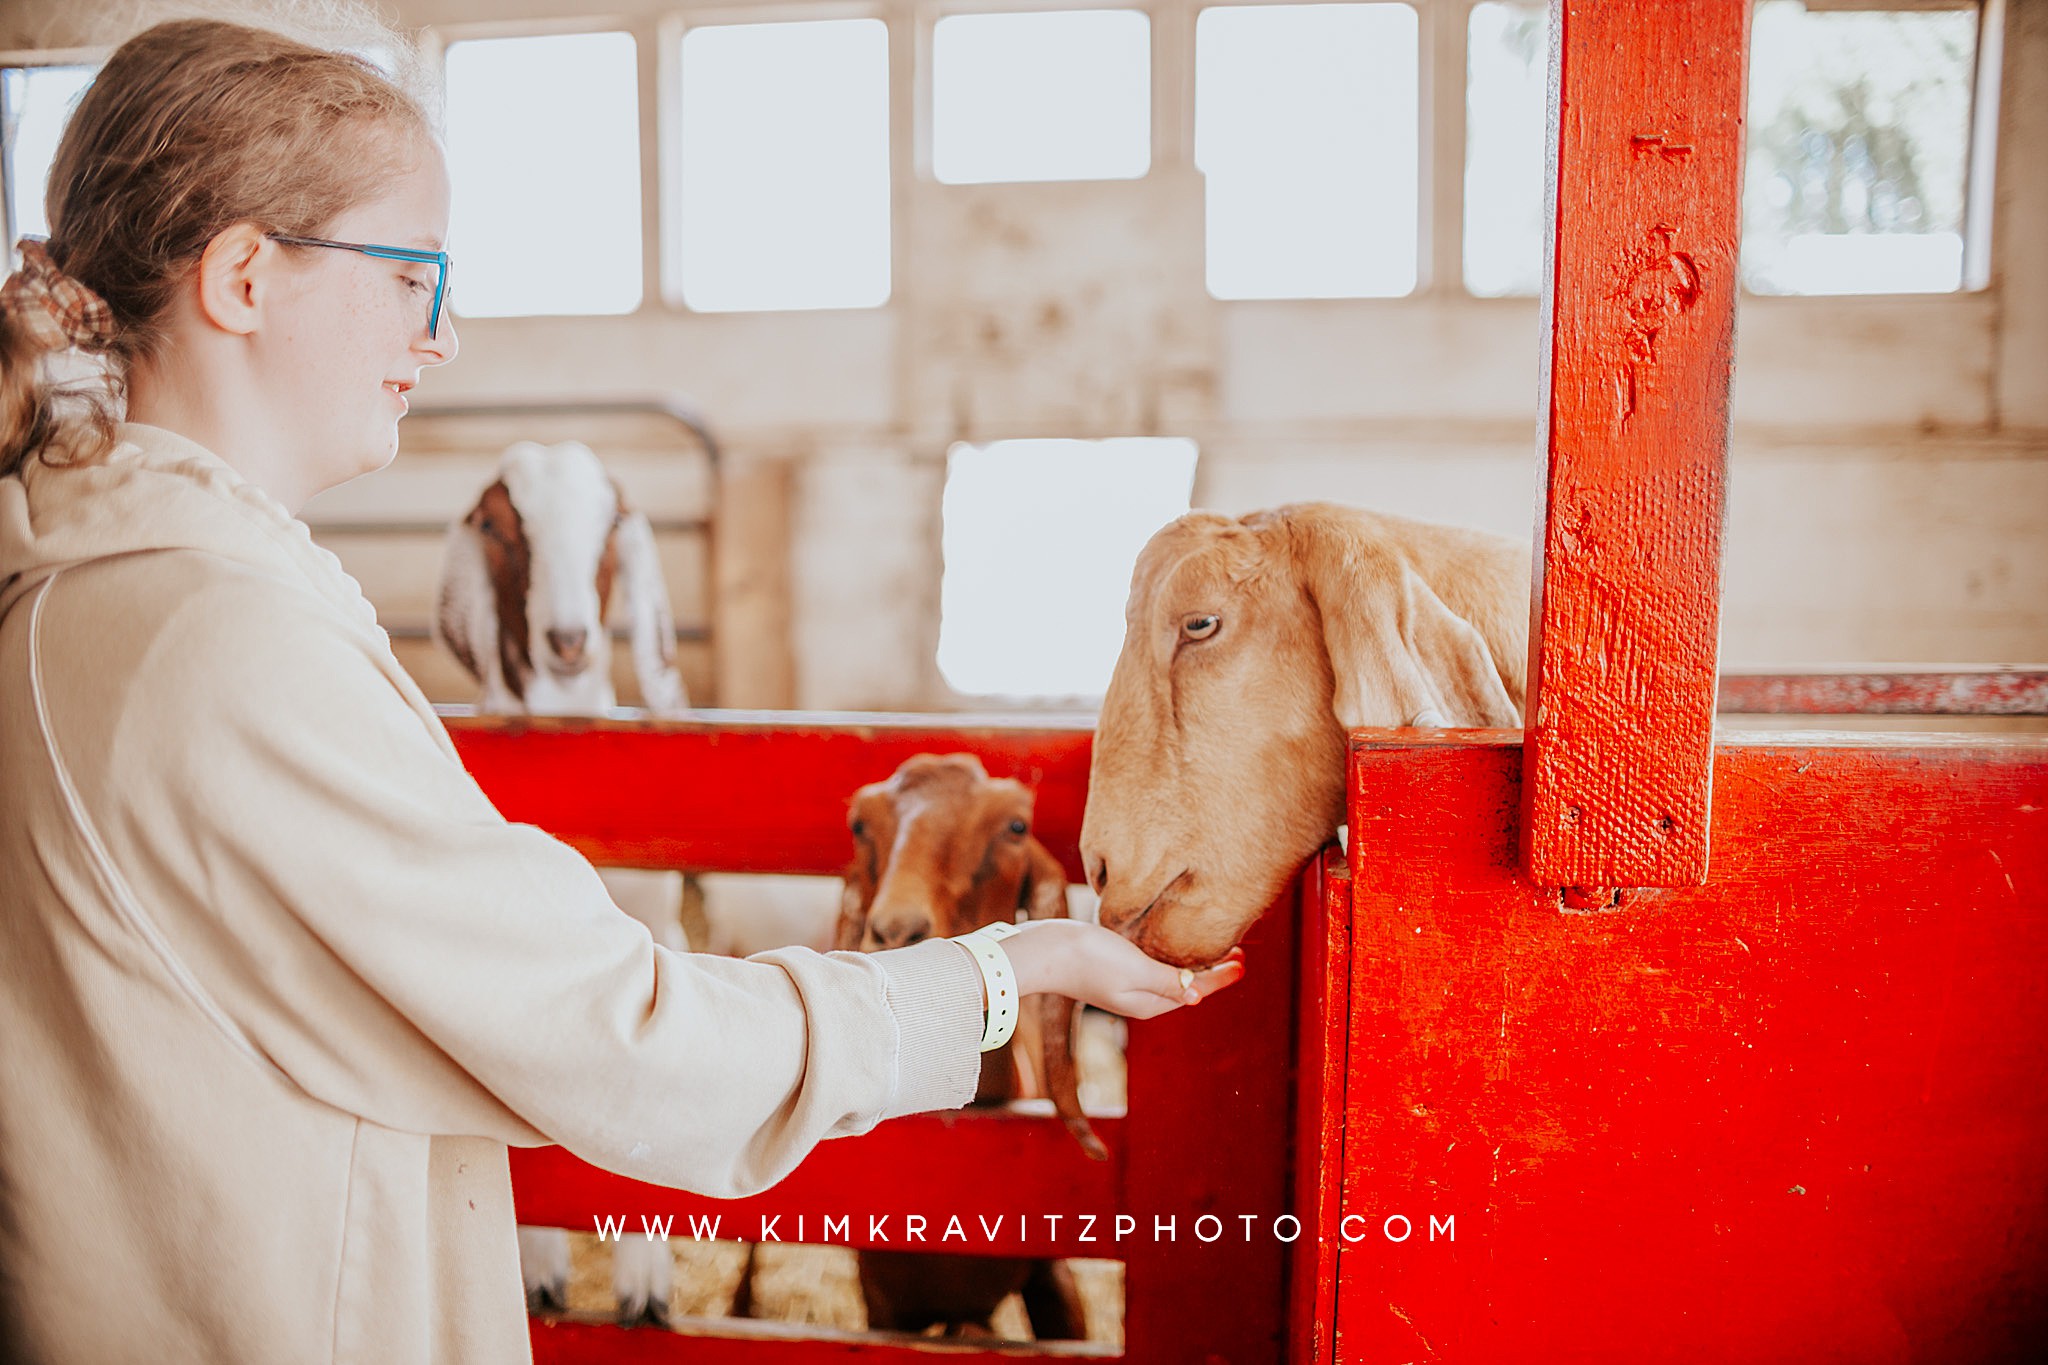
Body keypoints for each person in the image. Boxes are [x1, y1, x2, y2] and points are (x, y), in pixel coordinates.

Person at [0, 14, 1243, 1364]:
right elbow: (632, 1042)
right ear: (243, 275)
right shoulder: (212, 641)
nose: (445, 335)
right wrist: (1008, 972)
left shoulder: (78, 590)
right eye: (417, 273)